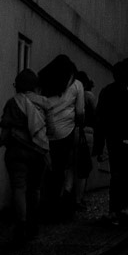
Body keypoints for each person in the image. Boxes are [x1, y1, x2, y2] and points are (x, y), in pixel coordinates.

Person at [0, 68, 49, 242]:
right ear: (35, 86)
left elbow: (5, 127)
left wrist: (3, 140)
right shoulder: (45, 103)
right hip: (37, 152)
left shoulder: (13, 102)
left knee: (19, 188)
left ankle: (21, 224)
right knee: (35, 188)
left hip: (16, 151)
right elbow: (53, 129)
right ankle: (33, 223)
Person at [94, 57, 128, 226]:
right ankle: (115, 210)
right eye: (126, 71)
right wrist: (100, 144)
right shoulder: (110, 91)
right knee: (116, 177)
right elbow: (100, 118)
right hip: (115, 140)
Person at [38, 53, 88, 217]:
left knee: (48, 169)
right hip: (66, 132)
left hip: (45, 131)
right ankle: (62, 207)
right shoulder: (77, 85)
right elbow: (80, 112)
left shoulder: (45, 83)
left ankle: (45, 205)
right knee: (65, 169)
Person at [72, 69, 96, 211]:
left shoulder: (70, 92)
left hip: (71, 130)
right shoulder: (89, 96)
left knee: (71, 167)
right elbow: (94, 115)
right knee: (83, 167)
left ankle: (70, 194)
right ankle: (79, 198)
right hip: (86, 131)